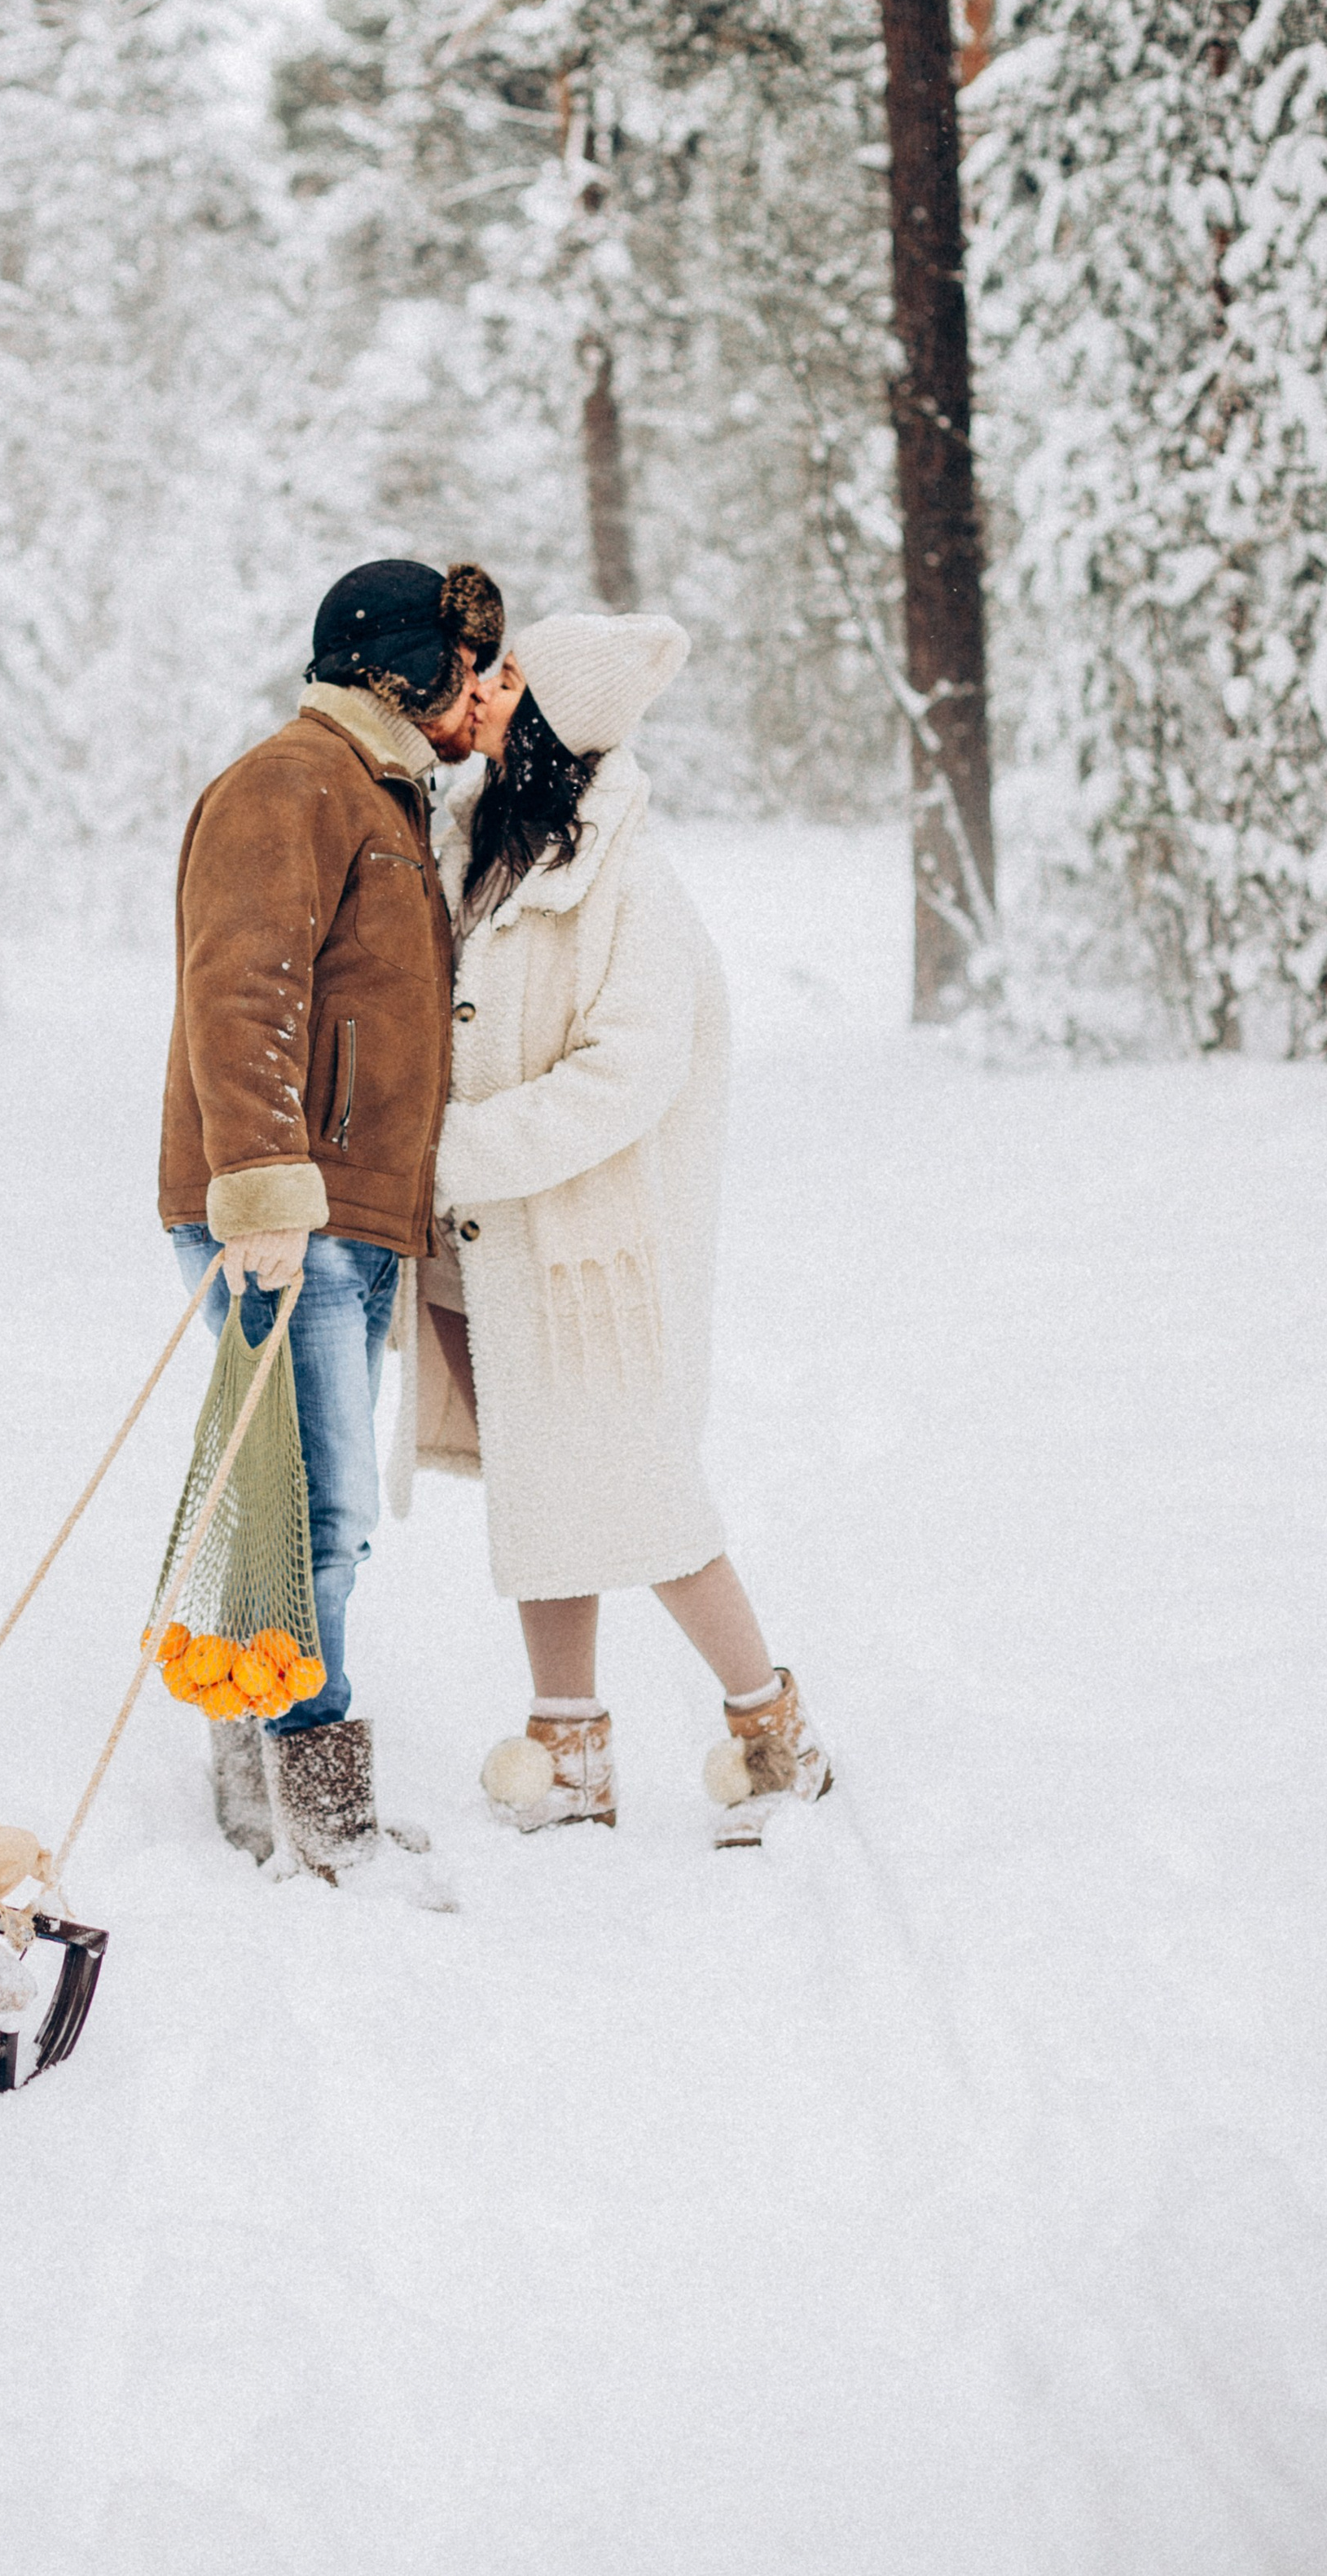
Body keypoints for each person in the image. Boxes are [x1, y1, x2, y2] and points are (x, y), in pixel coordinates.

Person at [386, 610, 833, 1848]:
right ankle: (568, 1745)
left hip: (589, 1255)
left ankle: (773, 1732)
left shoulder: (627, 880)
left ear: (554, 721)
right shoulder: (480, 843)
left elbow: (627, 1075)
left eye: (509, 678)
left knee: (647, 1496)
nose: (480, 688)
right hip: (486, 1245)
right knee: (537, 1487)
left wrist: (451, 1155)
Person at [160, 556, 506, 1875]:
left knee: (292, 1498)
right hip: (285, 1213)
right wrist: (258, 1194)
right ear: (404, 670)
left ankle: (258, 1765)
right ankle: (312, 1796)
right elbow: (240, 990)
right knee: (326, 1511)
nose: (474, 690)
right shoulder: (289, 784)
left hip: (338, 1214)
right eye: (463, 664)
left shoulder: (380, 791)